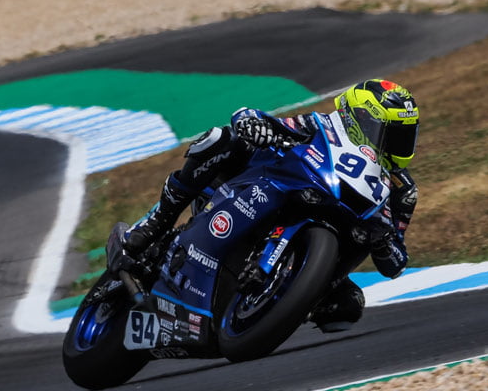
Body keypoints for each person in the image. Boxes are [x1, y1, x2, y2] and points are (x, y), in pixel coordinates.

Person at [123, 79, 420, 332]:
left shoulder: (401, 191)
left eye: (406, 135)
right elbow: (265, 121)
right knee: (221, 140)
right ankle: (157, 221)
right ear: (360, 120)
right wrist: (257, 125)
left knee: (348, 306)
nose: (399, 144)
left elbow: (396, 264)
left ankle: (275, 305)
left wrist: (383, 241)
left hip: (327, 247)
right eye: (393, 133)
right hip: (267, 190)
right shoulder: (323, 126)